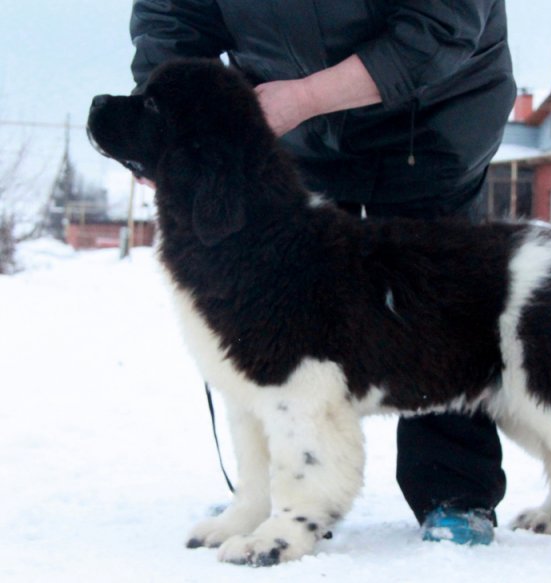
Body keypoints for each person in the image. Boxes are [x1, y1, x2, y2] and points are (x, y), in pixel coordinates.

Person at [130, 0, 516, 545]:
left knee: (429, 302)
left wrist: (306, 97)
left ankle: (453, 491)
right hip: (287, 123)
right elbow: (172, 20)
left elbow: (439, 25)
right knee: (273, 317)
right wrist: (168, 122)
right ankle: (271, 493)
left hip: (431, 118)